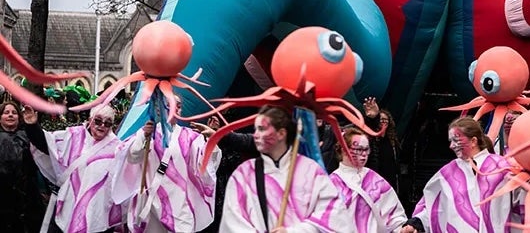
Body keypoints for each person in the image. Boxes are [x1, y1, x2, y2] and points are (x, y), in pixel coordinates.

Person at [220, 106, 349, 232]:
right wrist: (222, 136)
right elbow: (233, 221)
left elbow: (332, 216)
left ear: (282, 133)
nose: (257, 135)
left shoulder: (315, 173)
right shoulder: (244, 175)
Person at [112, 95, 222, 232]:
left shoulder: (191, 137)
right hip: (152, 203)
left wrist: (212, 138)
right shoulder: (148, 133)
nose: (175, 108)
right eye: (169, 104)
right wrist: (143, 136)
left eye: (179, 105)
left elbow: (205, 164)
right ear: (159, 109)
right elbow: (132, 157)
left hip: (179, 205)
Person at [400, 116, 521, 233]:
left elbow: (521, 199)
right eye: (450, 141)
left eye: (456, 140)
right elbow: (434, 206)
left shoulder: (501, 167)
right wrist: (417, 223)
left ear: (473, 141)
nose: (451, 146)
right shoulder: (448, 173)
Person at [23, 103, 124, 233]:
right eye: (98, 121)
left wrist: (143, 138)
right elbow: (47, 144)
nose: (102, 126)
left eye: (107, 123)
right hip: (68, 205)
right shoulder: (73, 136)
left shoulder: (116, 148)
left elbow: (131, 164)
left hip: (98, 211)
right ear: (90, 120)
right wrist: (32, 126)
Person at [330, 126, 407, 232]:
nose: (364, 154)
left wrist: (402, 229)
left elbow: (393, 214)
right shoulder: (331, 183)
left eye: (366, 149)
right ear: (343, 149)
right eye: (358, 149)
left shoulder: (374, 179)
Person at [0, 101, 44, 232]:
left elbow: (43, 146)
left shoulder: (27, 136)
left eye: (14, 112)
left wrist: (33, 126)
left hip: (27, 194)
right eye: (6, 113)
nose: (10, 115)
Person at [363, 97, 400, 191]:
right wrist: (371, 118)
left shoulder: (392, 140)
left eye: (386, 119)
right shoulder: (371, 138)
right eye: (381, 119)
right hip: (376, 178)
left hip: (390, 179)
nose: (383, 122)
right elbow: (367, 130)